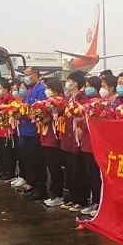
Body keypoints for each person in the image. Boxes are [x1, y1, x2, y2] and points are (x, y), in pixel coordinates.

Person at [17, 67, 49, 200]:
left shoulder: (41, 90)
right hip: (25, 130)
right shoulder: (30, 89)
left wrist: (23, 115)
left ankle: (41, 188)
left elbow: (39, 111)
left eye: (27, 74)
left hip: (34, 131)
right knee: (28, 161)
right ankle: (33, 185)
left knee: (37, 161)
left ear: (35, 75)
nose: (25, 77)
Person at [61, 71, 89, 212]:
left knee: (78, 170)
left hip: (77, 139)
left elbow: (85, 117)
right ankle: (72, 198)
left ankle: (81, 200)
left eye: (69, 81)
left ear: (76, 83)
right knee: (70, 170)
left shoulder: (83, 99)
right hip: (68, 137)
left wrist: (80, 127)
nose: (68, 83)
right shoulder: (70, 98)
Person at [42, 78, 67, 207]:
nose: (47, 91)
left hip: (54, 139)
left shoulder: (60, 103)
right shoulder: (47, 102)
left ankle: (57, 194)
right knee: (51, 167)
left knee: (55, 167)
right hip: (46, 138)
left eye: (49, 88)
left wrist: (53, 113)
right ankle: (53, 193)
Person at [80, 76, 103, 215]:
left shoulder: (100, 104)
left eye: (89, 86)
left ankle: (98, 203)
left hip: (95, 143)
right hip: (86, 142)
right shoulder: (89, 103)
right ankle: (94, 201)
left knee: (96, 175)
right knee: (90, 174)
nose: (86, 88)